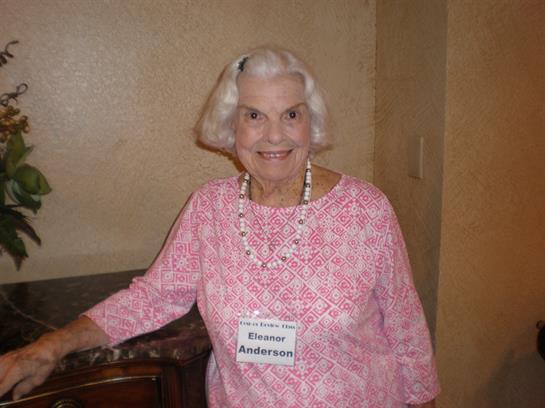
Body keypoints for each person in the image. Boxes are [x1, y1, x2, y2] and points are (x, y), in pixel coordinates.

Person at [0, 47, 439, 407]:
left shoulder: (366, 210)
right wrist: (53, 345)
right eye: (254, 116)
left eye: (291, 115)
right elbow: (152, 298)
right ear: (231, 128)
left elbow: (406, 329)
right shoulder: (209, 208)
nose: (274, 136)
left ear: (311, 122)